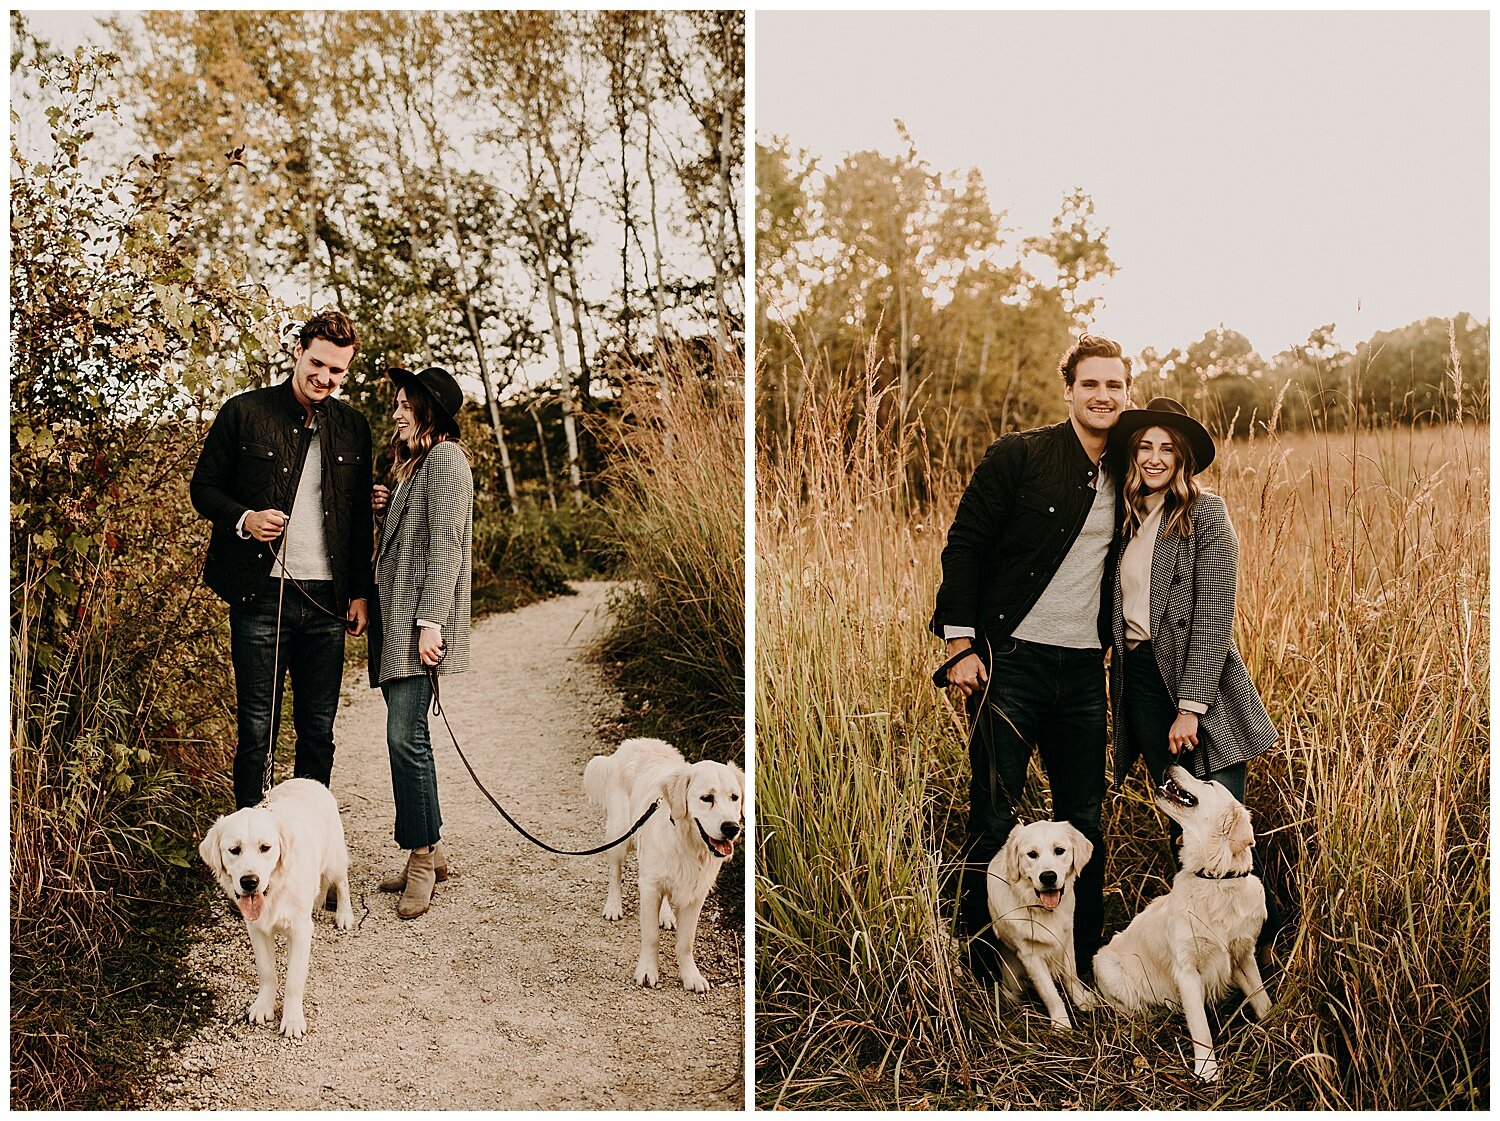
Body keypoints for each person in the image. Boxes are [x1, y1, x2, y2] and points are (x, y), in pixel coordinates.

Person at [930, 334, 1131, 985]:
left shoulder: (1132, 469)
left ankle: (1083, 963)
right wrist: (960, 644)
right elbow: (965, 544)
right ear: (1069, 388)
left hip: (1082, 674)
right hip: (1008, 664)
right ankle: (980, 963)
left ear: (1126, 392)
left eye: (1115, 385)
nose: (1104, 395)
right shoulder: (1019, 455)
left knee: (1084, 821)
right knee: (992, 812)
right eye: (1092, 383)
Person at [1105, 396, 1280, 950]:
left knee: (1226, 831)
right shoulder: (1125, 514)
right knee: (1182, 827)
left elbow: (1214, 615)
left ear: (1183, 459)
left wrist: (1191, 707)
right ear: (1134, 455)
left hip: (1199, 685)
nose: (1155, 458)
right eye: (1145, 447)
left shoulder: (1206, 513)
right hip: (1139, 679)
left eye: (1167, 449)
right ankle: (1196, 954)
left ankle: (1252, 952)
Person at [191, 311, 373, 810]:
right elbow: (203, 488)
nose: (325, 378)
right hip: (259, 595)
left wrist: (360, 593)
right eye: (317, 363)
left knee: (318, 731)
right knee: (257, 729)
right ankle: (251, 846)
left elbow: (358, 519)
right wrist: (245, 517)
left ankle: (307, 846)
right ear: (298, 351)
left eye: (337, 371)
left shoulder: (354, 427)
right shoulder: (245, 412)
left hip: (329, 602)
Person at [368, 365, 473, 920]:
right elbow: (406, 540)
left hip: (417, 622)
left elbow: (444, 545)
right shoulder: (411, 465)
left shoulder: (448, 460)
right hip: (395, 620)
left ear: (430, 410)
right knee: (411, 737)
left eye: (407, 405)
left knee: (403, 738)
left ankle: (420, 858)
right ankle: (430, 849)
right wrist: (383, 508)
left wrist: (432, 621)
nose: (397, 413)